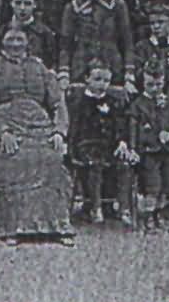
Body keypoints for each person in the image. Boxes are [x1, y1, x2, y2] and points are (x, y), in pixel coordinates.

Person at [0, 27, 74, 247]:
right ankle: (10, 226)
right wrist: (3, 132)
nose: (16, 43)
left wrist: (59, 131)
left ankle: (56, 225)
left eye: (20, 39)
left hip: (39, 126)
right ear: (2, 44)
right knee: (15, 158)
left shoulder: (40, 68)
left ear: (27, 43)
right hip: (5, 125)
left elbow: (58, 102)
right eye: (11, 39)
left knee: (51, 158)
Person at [65, 59, 133, 226]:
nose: (102, 84)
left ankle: (124, 207)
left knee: (124, 163)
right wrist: (70, 149)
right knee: (95, 164)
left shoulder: (113, 102)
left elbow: (120, 126)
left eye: (106, 81)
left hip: (109, 146)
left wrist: (122, 142)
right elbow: (74, 128)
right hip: (86, 146)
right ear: (87, 78)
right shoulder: (80, 103)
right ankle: (95, 207)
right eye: (97, 79)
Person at [125, 60, 169, 233]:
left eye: (158, 84)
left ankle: (161, 213)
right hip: (149, 151)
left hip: (168, 151)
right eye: (150, 84)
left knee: (167, 184)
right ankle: (148, 216)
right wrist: (133, 148)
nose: (155, 88)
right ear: (142, 83)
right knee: (153, 185)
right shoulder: (138, 104)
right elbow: (133, 129)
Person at [58, 0, 135, 90]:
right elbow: (66, 44)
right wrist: (64, 73)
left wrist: (129, 73)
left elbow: (127, 41)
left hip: (112, 68)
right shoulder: (72, 7)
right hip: (81, 68)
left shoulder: (117, 5)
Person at [132, 2, 169, 98]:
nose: (156, 26)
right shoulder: (141, 47)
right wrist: (166, 64)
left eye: (160, 22)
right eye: (152, 23)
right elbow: (138, 77)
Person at [0, 0, 58, 68]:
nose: (22, 8)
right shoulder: (3, 31)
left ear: (35, 5)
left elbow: (52, 62)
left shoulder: (44, 33)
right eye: (18, 3)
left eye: (27, 4)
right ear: (12, 4)